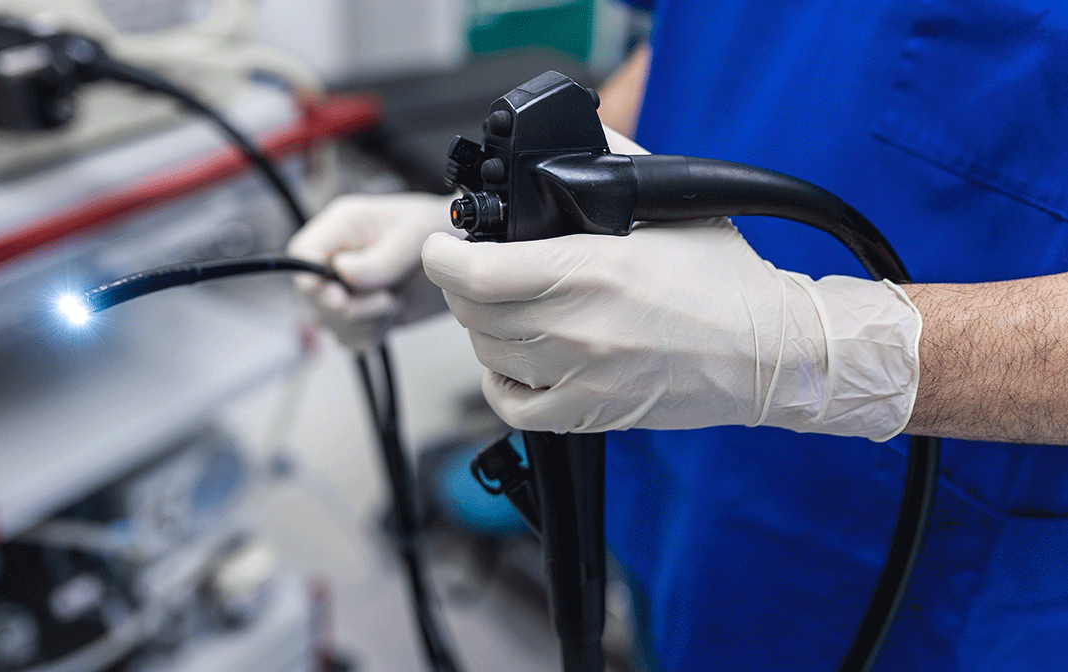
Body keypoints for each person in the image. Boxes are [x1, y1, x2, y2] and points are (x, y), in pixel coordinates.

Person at [289, 1, 1068, 669]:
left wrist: (824, 348)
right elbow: (692, 39)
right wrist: (494, 221)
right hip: (678, 497)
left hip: (943, 576)